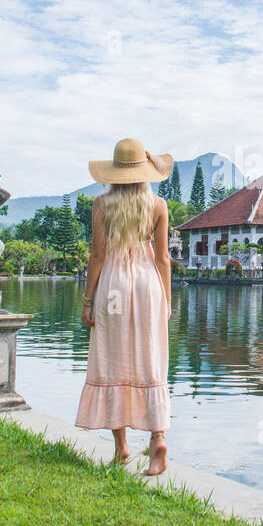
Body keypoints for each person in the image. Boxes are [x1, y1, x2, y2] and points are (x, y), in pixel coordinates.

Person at [76, 138, 174, 476]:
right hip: (149, 288)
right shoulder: (158, 205)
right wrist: (168, 301)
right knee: (150, 359)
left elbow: (99, 256)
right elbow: (163, 258)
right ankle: (157, 437)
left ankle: (121, 449)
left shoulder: (102, 204)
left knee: (112, 358)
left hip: (114, 286)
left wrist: (88, 302)